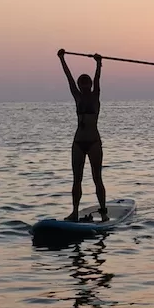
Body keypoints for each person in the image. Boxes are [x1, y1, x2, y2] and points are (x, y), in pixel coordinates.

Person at [57, 49, 108, 222]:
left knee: (97, 178)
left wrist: (98, 63)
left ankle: (104, 212)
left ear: (90, 85)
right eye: (82, 84)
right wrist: (62, 58)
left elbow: (98, 78)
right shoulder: (77, 97)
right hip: (78, 142)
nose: (85, 86)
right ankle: (75, 212)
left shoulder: (95, 96)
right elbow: (68, 77)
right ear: (79, 86)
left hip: (93, 142)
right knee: (76, 179)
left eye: (87, 83)